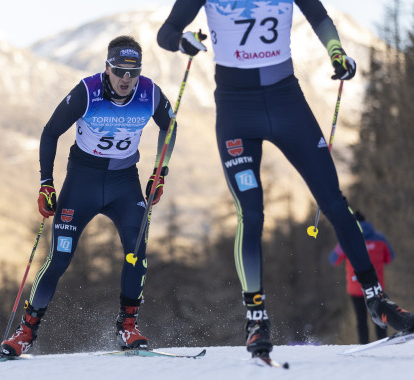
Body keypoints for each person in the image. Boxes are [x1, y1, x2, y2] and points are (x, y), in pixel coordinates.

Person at [157, 0, 414, 357]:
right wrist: (182, 41)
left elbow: (319, 17)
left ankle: (377, 299)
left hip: (286, 103)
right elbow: (165, 33)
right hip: (237, 111)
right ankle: (256, 318)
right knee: (252, 214)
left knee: (335, 204)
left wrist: (336, 53)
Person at [0, 35, 177, 357]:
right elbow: (50, 132)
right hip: (83, 182)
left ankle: (128, 326)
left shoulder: (150, 93)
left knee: (136, 250)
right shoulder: (87, 91)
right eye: (119, 70)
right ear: (107, 68)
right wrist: (46, 183)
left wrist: (158, 174)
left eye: (133, 71)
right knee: (60, 258)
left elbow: (170, 127)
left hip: (125, 183)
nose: (126, 78)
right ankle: (25, 333)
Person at [330, 211, 395, 344]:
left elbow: (333, 259)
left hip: (356, 287)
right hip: (376, 285)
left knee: (361, 318)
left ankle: (364, 344)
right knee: (379, 315)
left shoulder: (347, 239)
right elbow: (389, 258)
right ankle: (384, 342)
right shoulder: (380, 239)